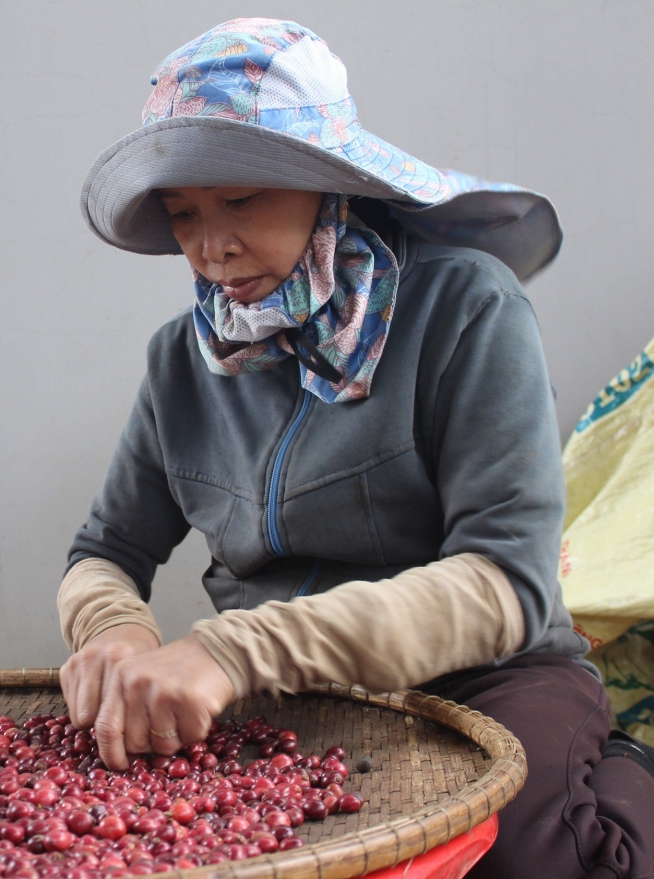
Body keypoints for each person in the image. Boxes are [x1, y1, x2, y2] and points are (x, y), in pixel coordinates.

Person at [57, 18, 654, 877]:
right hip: (287, 689)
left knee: (525, 854)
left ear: (324, 183)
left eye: (241, 200)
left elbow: (505, 584)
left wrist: (233, 649)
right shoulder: (180, 361)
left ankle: (632, 767)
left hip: (484, 674)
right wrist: (112, 629)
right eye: (183, 214)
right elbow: (104, 551)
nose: (209, 246)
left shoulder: (465, 308)